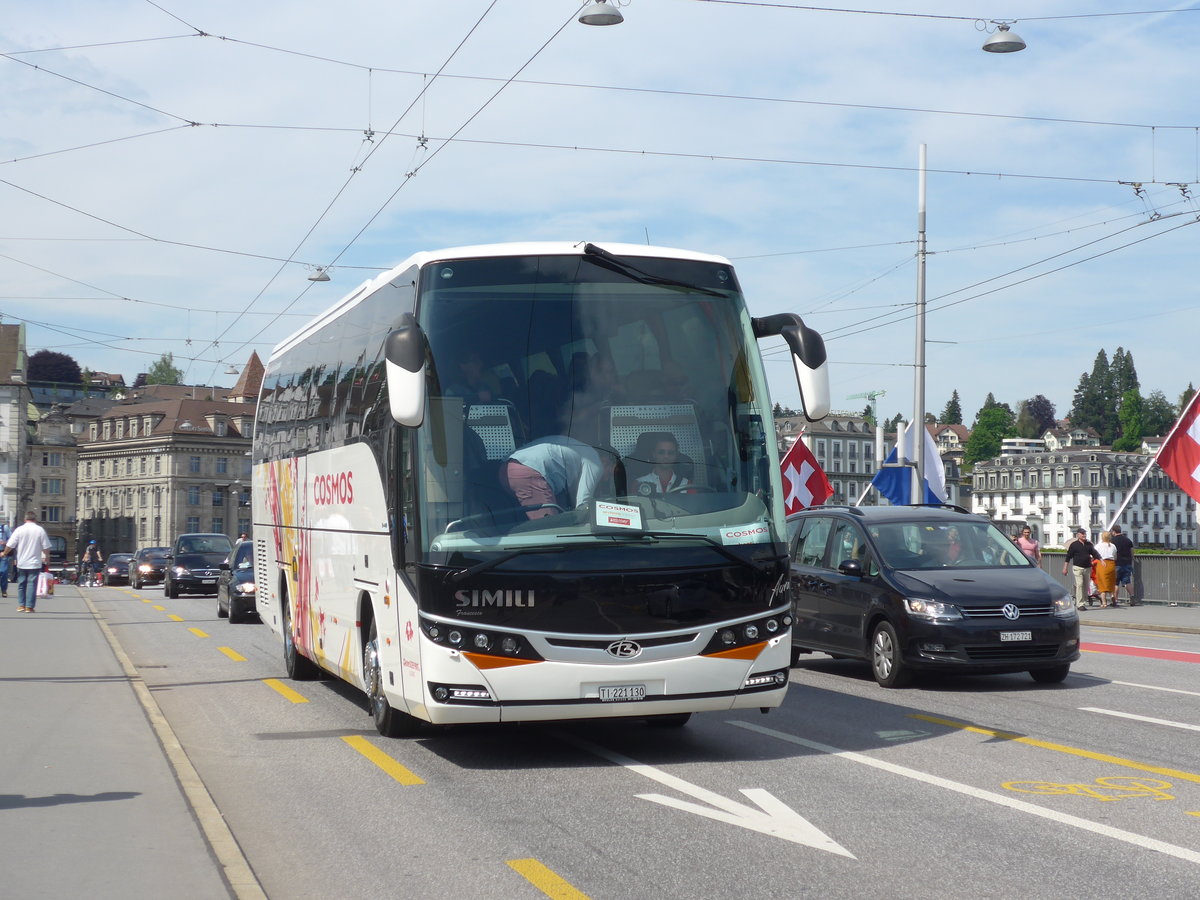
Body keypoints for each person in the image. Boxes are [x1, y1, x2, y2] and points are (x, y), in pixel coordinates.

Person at [502, 436, 615, 520]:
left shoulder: (578, 450)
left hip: (506, 469)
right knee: (549, 529)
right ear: (605, 461)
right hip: (529, 472)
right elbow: (582, 505)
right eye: (612, 471)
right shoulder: (595, 462)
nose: (610, 477)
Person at [3, 511, 52, 612]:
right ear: (35, 519)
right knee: (32, 584)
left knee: (21, 583)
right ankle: (29, 606)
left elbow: (10, 544)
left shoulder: (19, 530)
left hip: (22, 562)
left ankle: (21, 605)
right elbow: (46, 547)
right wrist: (47, 557)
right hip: (35, 563)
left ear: (25, 519)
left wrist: (4, 553)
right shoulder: (40, 530)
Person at [1062, 527, 1100, 611]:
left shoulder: (1088, 544)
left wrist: (1101, 559)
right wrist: (1065, 568)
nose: (1084, 535)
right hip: (1077, 567)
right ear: (1078, 535)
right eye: (1082, 533)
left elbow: (1094, 553)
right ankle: (1080, 604)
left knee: (1085, 586)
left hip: (1087, 568)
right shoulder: (1074, 545)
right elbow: (1068, 557)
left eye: (1085, 533)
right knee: (1080, 584)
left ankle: (1083, 601)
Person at [1110, 524, 1137, 606]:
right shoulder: (1127, 540)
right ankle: (1132, 597)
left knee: (1115, 583)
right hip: (1127, 563)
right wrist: (1132, 559)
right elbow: (1132, 551)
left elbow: (1111, 552)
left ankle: (1115, 600)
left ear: (1113, 532)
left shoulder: (1112, 541)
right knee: (1127, 581)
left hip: (1116, 563)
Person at [1094, 530, 1118, 608]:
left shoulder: (1098, 546)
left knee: (1102, 584)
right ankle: (1113, 598)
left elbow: (1094, 555)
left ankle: (1104, 603)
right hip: (1111, 564)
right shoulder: (1113, 546)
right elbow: (1115, 556)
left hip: (1102, 564)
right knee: (1111, 583)